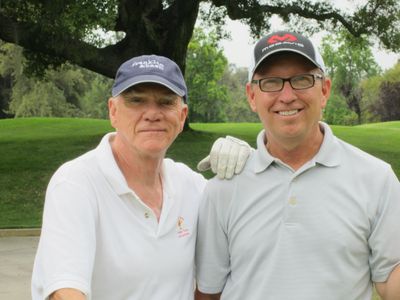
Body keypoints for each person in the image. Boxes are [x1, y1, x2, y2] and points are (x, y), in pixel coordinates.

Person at [195, 31, 400, 300]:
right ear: (252, 96)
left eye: (302, 80)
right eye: (271, 82)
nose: (288, 95)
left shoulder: (376, 178)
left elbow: (390, 277)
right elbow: (209, 292)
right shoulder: (223, 186)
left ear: (324, 90)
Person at [31, 54, 251, 300]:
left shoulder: (191, 186)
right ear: (113, 111)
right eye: (136, 101)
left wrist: (249, 169)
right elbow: (65, 291)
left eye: (166, 102)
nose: (152, 114)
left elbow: (249, 240)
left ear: (182, 115)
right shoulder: (76, 183)